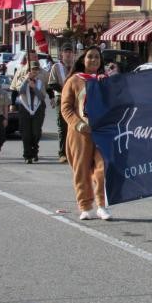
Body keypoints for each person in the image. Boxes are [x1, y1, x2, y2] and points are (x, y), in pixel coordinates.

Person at [61, 46, 111, 221]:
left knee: (102, 169)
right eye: (90, 57)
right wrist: (78, 124)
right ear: (83, 59)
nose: (94, 60)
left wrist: (108, 86)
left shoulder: (104, 81)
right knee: (81, 171)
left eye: (97, 57)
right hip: (80, 134)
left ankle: (101, 205)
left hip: (100, 133)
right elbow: (66, 108)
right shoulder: (73, 81)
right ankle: (85, 206)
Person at [47, 43, 75, 163]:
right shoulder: (56, 67)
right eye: (66, 52)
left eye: (70, 52)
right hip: (61, 98)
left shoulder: (76, 66)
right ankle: (62, 153)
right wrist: (64, 90)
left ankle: (73, 152)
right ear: (62, 54)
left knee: (74, 126)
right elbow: (51, 83)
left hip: (75, 98)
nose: (68, 54)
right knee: (63, 127)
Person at [16, 61, 48, 164]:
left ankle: (35, 150)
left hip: (37, 109)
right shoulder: (21, 79)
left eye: (36, 70)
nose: (34, 72)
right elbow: (20, 91)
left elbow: (42, 97)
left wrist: (34, 87)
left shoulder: (39, 82)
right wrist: (26, 81)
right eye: (32, 70)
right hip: (24, 109)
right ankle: (27, 155)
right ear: (28, 71)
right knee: (26, 134)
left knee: (36, 133)